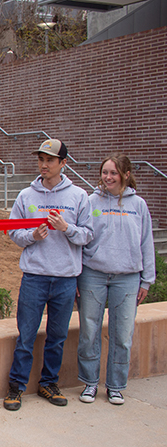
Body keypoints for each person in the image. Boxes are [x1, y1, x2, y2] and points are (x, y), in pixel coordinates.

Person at [4, 139, 94, 411]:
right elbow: (12, 232)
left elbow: (88, 235)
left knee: (57, 337)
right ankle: (16, 386)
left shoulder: (78, 196)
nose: (44, 165)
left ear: (63, 163)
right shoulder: (26, 196)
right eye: (41, 159)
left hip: (66, 280)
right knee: (26, 336)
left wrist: (66, 228)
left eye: (50, 160)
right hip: (34, 278)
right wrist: (32, 236)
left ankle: (48, 383)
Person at [77, 154, 156, 405]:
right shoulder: (91, 201)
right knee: (89, 331)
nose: (108, 177)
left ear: (126, 175)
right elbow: (82, 239)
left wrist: (146, 280)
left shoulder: (139, 205)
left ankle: (115, 386)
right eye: (104, 172)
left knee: (122, 334)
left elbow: (146, 242)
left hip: (128, 278)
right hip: (93, 274)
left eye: (113, 173)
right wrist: (77, 274)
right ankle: (89, 383)